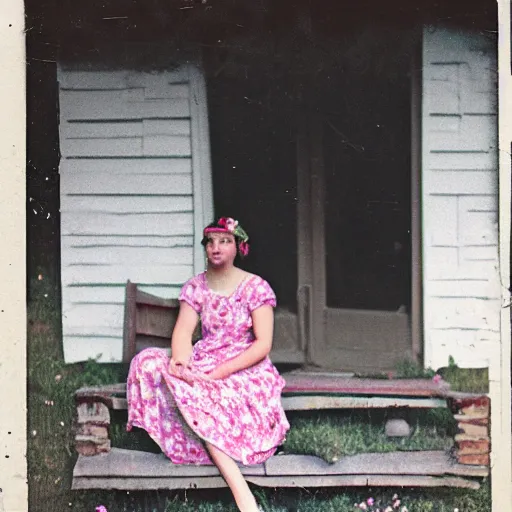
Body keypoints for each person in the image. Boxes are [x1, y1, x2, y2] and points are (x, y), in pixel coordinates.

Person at [127, 217, 290, 512]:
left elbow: (263, 344)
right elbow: (183, 332)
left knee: (213, 395)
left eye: (224, 241)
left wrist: (219, 374)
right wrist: (180, 360)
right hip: (207, 356)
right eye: (211, 242)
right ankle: (195, 434)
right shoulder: (196, 287)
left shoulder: (255, 287)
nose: (216, 248)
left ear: (239, 247)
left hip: (245, 366)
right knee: (148, 362)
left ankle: (243, 496)